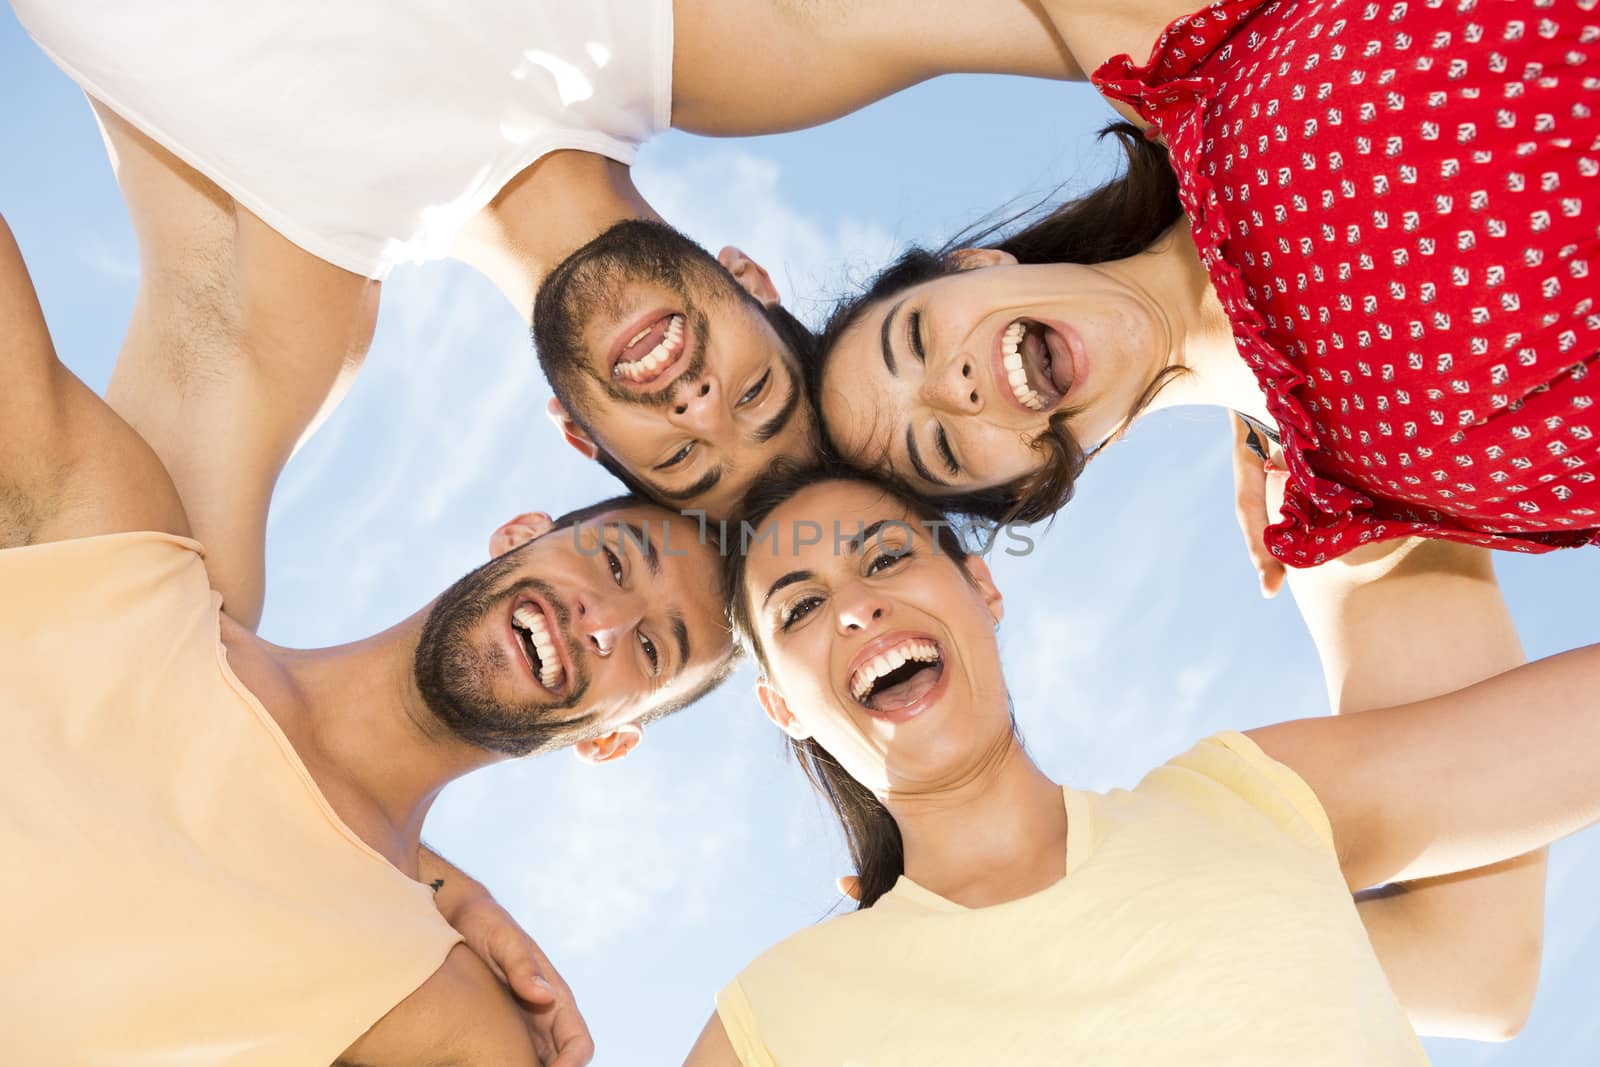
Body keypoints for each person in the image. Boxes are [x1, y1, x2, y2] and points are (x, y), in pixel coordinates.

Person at [8, 0, 1076, 628]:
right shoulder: (701, 42)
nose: (704, 402)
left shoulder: (289, 295)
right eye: (756, 391)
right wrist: (1220, 343)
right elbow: (1124, 28)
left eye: (686, 458)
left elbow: (137, 643)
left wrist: (417, 871)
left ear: (577, 431)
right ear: (754, 280)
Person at [0, 214, 736, 1066]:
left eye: (651, 651)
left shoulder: (445, 1016)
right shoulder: (127, 562)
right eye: (612, 559)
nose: (603, 620)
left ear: (608, 739)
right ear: (520, 532)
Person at [679, 467, 1600, 1065]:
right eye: (799, 609)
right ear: (782, 707)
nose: (856, 608)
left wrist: (1302, 436)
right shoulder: (782, 1019)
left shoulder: (1243, 803)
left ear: (983, 587)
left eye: (886, 556)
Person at [810, 0, 1599, 569]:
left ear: (974, 265)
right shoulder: (1358, 510)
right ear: (1033, 486)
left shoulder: (1193, 57)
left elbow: (798, 25)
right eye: (942, 446)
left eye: (915, 338)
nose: (956, 388)